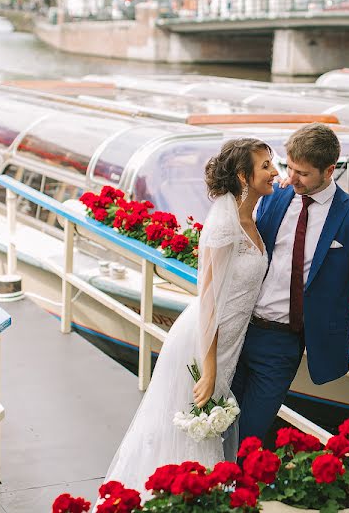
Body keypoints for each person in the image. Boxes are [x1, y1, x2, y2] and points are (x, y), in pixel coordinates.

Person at [104, 138, 277, 490]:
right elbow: (209, 299)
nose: (275, 172)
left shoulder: (249, 217)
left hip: (230, 341)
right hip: (205, 343)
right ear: (244, 176)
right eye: (266, 166)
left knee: (204, 429)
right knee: (193, 429)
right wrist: (209, 365)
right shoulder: (225, 224)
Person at [231, 123, 349, 443]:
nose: (292, 178)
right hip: (239, 329)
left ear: (329, 170)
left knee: (249, 436)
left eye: (302, 173)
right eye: (289, 168)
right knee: (219, 422)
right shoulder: (277, 196)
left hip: (281, 345)